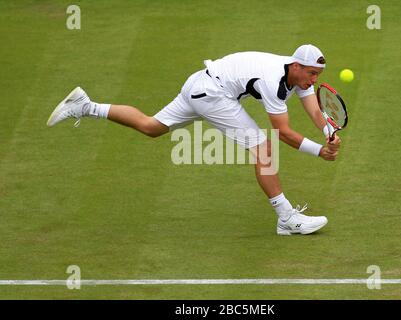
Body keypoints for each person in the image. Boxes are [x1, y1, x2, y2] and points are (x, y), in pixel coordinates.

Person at [47, 44, 341, 236]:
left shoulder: (297, 76)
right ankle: (286, 218)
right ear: (296, 66)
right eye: (311, 73)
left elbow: (315, 108)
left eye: (318, 75)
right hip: (212, 94)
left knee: (152, 127)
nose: (314, 80)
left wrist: (328, 134)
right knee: (263, 147)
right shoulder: (272, 80)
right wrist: (320, 152)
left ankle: (85, 106)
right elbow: (284, 133)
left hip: (199, 84)